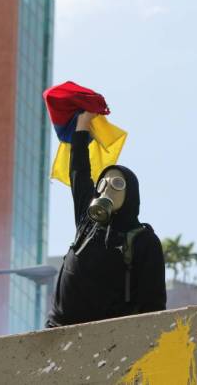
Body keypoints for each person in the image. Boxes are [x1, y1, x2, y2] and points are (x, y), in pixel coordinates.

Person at [46, 111, 166, 327]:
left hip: (108, 339)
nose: (107, 189)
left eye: (117, 185)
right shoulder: (87, 222)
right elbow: (79, 172)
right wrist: (82, 124)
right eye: (103, 184)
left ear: (131, 194)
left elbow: (154, 304)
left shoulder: (143, 240)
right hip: (58, 331)